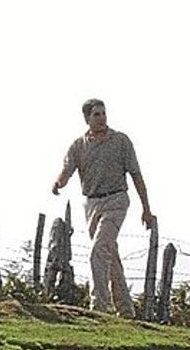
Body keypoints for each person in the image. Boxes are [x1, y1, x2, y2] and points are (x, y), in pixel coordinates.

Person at [52, 98, 154, 318]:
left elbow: (136, 175)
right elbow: (67, 169)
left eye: (103, 113)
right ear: (87, 118)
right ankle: (126, 311)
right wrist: (58, 183)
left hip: (116, 200)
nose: (101, 118)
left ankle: (98, 308)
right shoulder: (79, 145)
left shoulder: (120, 141)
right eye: (96, 114)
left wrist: (146, 208)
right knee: (109, 256)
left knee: (98, 251)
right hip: (91, 203)